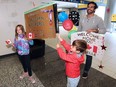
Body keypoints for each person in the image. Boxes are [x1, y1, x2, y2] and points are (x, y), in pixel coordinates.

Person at [78, 1, 106, 79]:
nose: (89, 8)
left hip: (91, 42)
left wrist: (95, 30)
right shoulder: (82, 18)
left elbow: (103, 30)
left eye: (91, 7)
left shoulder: (98, 19)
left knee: (89, 57)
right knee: (78, 54)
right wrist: (76, 39)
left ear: (94, 9)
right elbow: (79, 30)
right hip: (81, 41)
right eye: (88, 6)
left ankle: (86, 71)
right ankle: (76, 68)